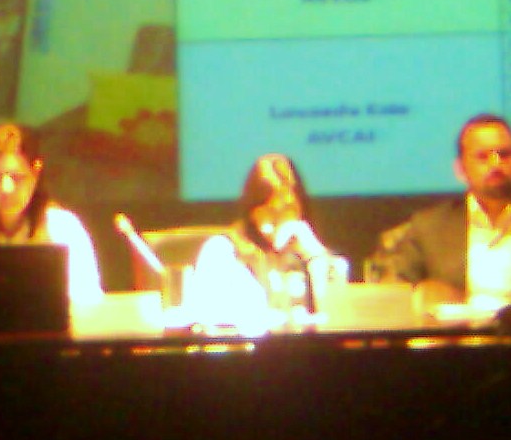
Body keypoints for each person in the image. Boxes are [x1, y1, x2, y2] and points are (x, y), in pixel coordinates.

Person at [0, 122, 103, 304]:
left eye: (17, 178)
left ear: (35, 174)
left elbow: (88, 303)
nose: (6, 189)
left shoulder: (64, 228)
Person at [369, 112, 511, 311]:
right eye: (482, 157)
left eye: (504, 155)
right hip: (458, 330)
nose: (496, 164)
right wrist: (422, 295)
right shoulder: (429, 228)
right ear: (460, 169)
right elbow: (392, 292)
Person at [190, 153, 344, 330]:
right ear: (251, 210)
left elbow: (339, 315)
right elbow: (208, 318)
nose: (278, 220)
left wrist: (314, 254)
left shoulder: (305, 252)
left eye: (287, 210)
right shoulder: (221, 251)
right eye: (269, 211)